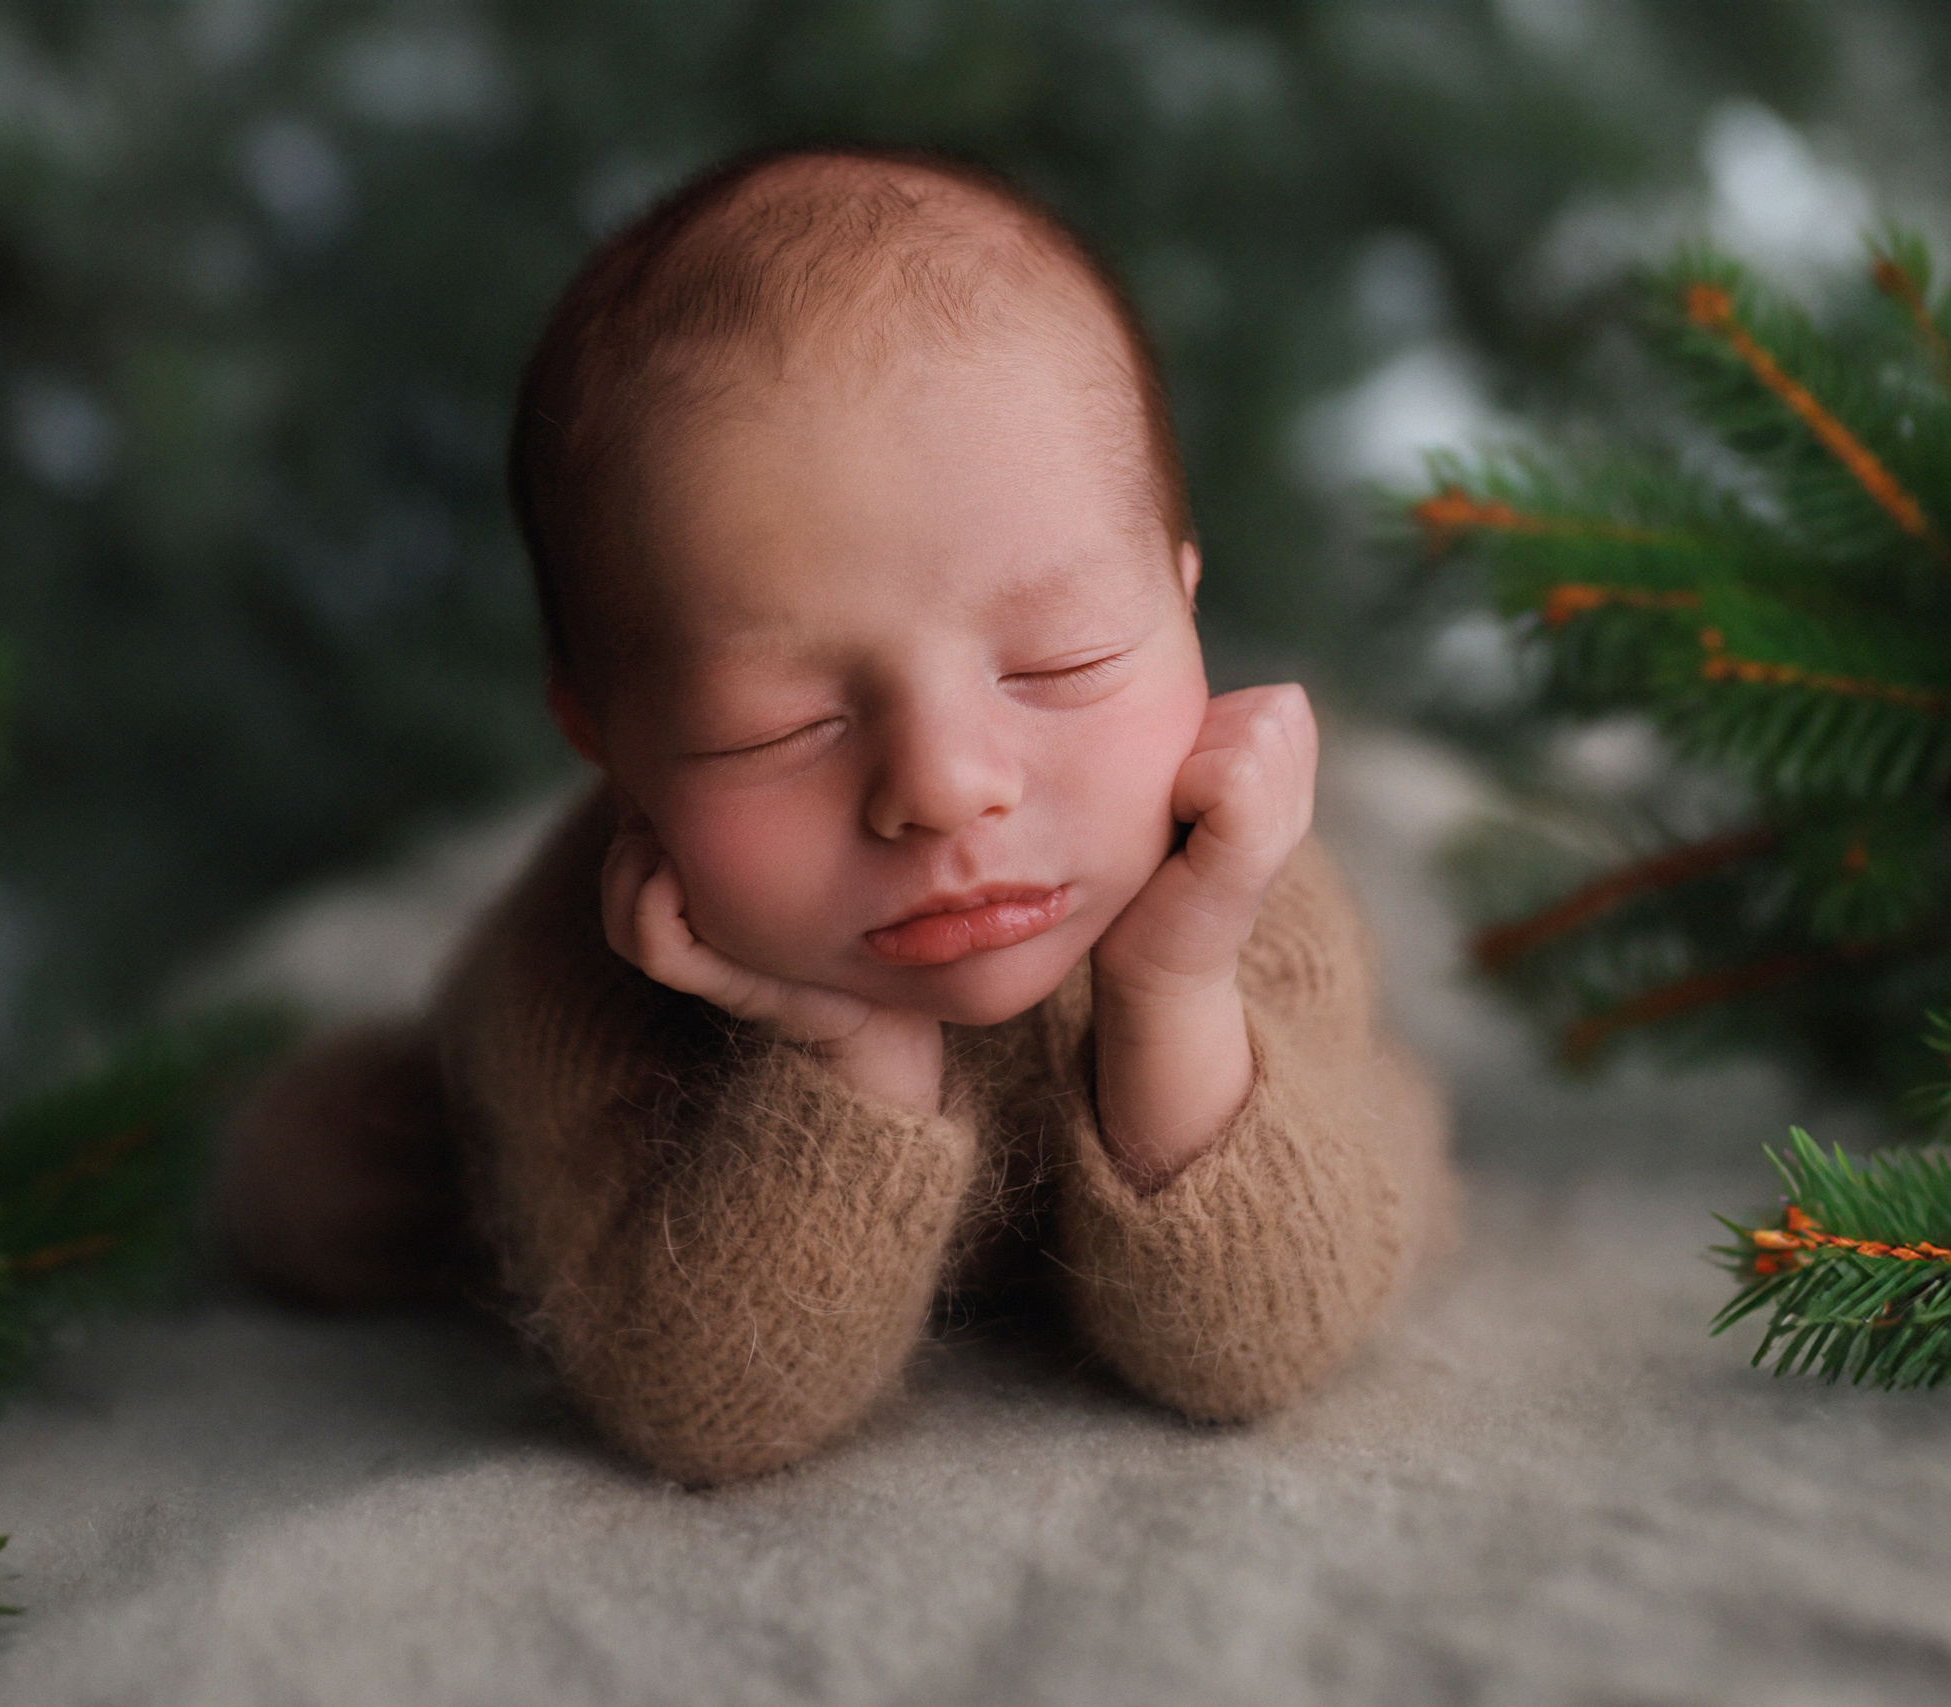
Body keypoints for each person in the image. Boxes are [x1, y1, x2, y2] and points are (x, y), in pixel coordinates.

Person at [219, 146, 1455, 1485]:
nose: (942, 786)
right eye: (782, 728)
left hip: (1207, 1037)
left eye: (1061, 663)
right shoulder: (573, 986)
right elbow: (702, 1406)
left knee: (1382, 1153)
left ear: (1183, 603)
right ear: (610, 746)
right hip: (546, 1151)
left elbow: (1262, 1340)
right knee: (318, 1187)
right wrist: (848, 1047)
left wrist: (1176, 992)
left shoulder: (1231, 893)